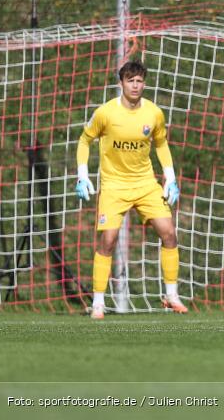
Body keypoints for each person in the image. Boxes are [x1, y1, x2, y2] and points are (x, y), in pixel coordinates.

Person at [75, 60, 186, 320]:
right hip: (114, 186)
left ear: (144, 83)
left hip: (146, 184)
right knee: (108, 241)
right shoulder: (105, 113)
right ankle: (99, 303)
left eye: (139, 81)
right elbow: (84, 139)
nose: (135, 86)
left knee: (169, 233)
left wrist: (170, 178)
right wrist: (82, 175)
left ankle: (171, 296)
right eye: (130, 81)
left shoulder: (154, 113)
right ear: (121, 83)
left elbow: (161, 144)